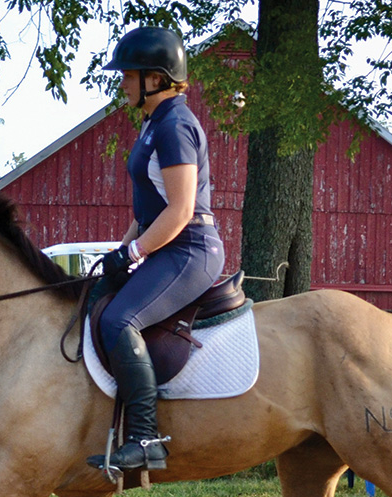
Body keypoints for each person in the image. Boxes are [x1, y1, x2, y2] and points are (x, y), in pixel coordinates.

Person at [87, 26, 225, 473]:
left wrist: (135, 253)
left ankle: (146, 439)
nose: (122, 82)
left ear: (157, 77)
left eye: (129, 74)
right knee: (97, 299)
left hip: (189, 250)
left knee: (119, 318)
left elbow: (181, 209)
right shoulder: (153, 124)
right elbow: (150, 207)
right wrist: (121, 250)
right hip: (165, 245)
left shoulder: (175, 126)